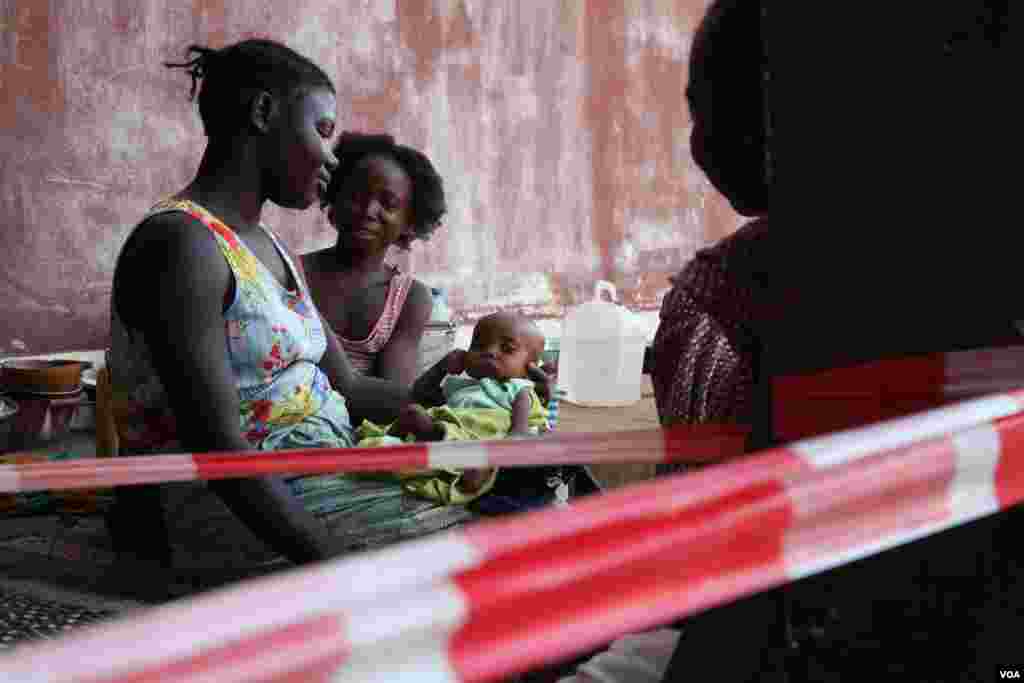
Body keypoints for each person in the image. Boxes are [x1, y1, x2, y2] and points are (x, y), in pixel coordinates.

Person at [106, 39, 481, 577]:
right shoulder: (183, 245)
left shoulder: (267, 245)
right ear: (263, 113)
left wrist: (466, 403)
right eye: (322, 132)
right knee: (495, 526)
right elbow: (222, 454)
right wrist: (335, 570)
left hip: (320, 472)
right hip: (230, 514)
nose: (332, 158)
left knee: (512, 470)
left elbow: (350, 388)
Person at [357, 312, 551, 505]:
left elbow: (519, 432)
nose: (489, 352)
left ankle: (474, 471)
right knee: (414, 412)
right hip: (447, 429)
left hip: (480, 440)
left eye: (507, 349)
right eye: (478, 346)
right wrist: (441, 368)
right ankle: (397, 440)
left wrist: (504, 451)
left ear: (530, 368)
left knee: (483, 460)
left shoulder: (518, 388)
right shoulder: (460, 384)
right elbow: (420, 393)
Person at [301, 132, 444, 392]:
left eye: (388, 204)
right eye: (356, 196)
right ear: (335, 198)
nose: (368, 211)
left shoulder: (408, 298)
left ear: (409, 222)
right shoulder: (294, 273)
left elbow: (390, 395)